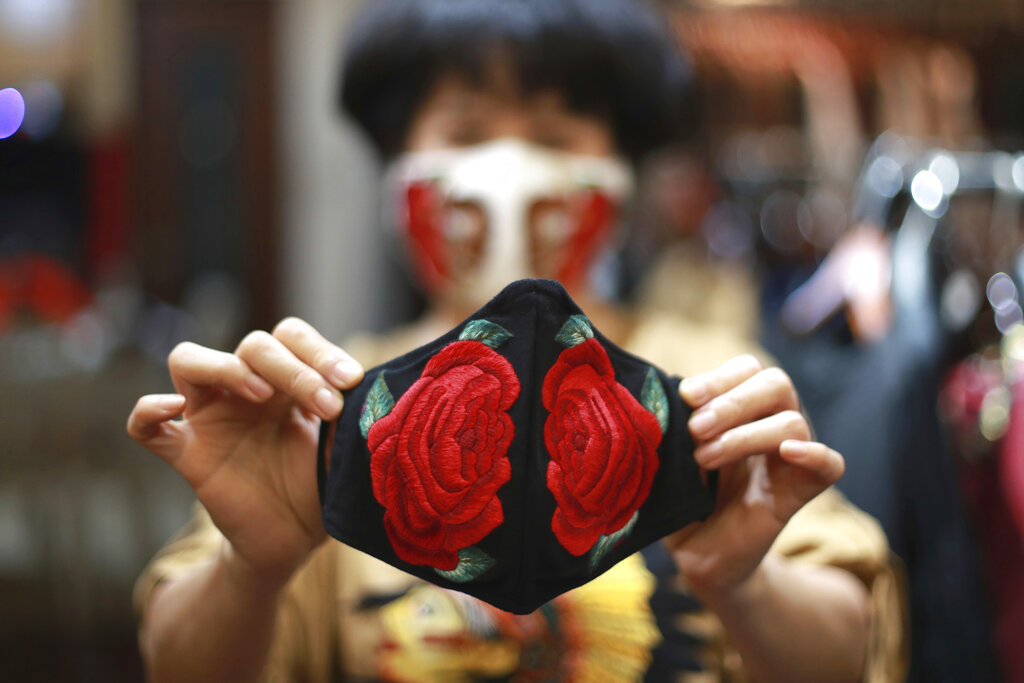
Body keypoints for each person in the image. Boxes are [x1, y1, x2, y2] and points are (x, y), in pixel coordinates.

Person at [128, 1, 905, 681]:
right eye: (465, 131)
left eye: (553, 135)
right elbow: (178, 663)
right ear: (401, 171)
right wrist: (251, 568)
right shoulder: (326, 406)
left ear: (620, 174)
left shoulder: (705, 384)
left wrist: (745, 585)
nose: (508, 168)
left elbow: (849, 650)